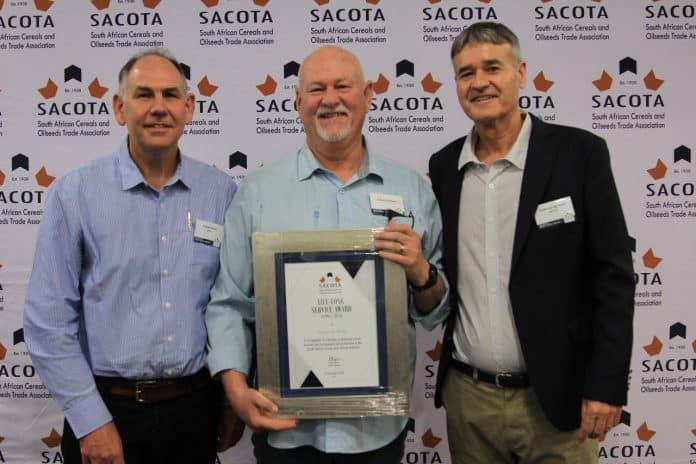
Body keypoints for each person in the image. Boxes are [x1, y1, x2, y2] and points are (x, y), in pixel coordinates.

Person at [205, 45, 449, 464]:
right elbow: (229, 303)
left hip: (376, 434)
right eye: (316, 89)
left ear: (368, 95)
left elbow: (434, 310)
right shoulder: (259, 193)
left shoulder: (413, 190)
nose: (330, 99)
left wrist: (421, 272)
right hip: (288, 433)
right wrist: (235, 390)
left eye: (342, 86)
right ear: (298, 102)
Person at [429, 22, 635, 463]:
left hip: (557, 401)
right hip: (470, 401)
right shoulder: (446, 166)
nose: (479, 82)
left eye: (492, 68)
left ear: (520, 74)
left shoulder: (580, 154)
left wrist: (606, 384)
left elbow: (614, 278)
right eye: (466, 73)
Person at [23, 49, 236, 464]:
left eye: (171, 95)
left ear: (189, 108)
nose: (159, 108)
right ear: (120, 109)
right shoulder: (75, 194)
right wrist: (91, 422)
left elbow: (231, 306)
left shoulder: (221, 193)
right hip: (108, 413)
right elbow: (47, 322)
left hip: (195, 411)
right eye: (144, 95)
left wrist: (230, 399)